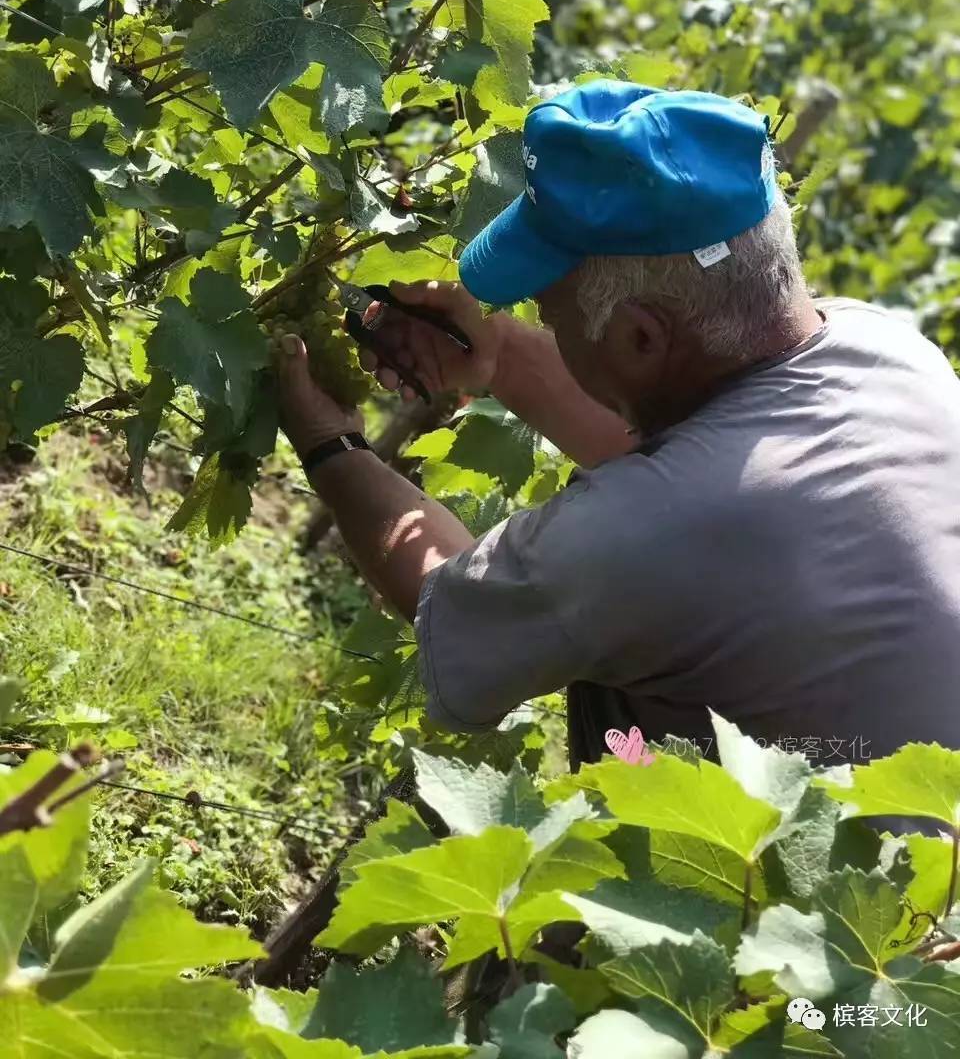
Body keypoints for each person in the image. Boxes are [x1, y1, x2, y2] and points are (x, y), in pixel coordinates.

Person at [276, 80, 960, 771]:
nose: (542, 323)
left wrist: (328, 444)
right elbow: (704, 462)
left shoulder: (649, 536)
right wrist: (502, 355)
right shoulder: (889, 350)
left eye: (550, 313)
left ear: (640, 337)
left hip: (800, 879)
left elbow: (449, 606)